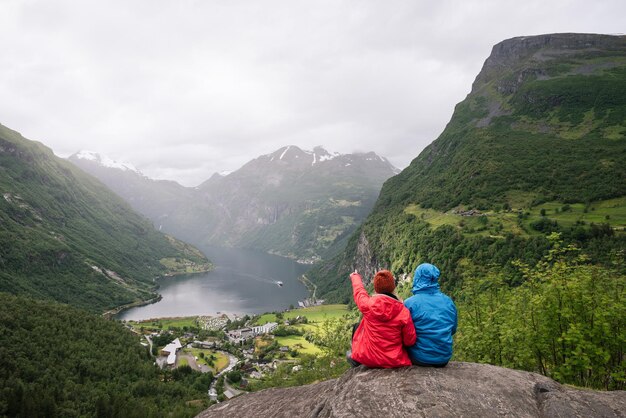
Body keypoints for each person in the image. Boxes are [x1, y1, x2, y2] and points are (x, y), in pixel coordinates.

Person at [347, 270, 416, 368]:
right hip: (394, 361)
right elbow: (410, 341)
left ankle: (356, 359)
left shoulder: (368, 305)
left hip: (369, 359)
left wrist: (355, 276)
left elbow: (359, 292)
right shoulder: (403, 311)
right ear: (393, 287)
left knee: (357, 326)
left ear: (376, 288)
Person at [404, 263, 457, 367]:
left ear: (417, 278)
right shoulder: (448, 301)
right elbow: (453, 329)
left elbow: (404, 334)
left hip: (419, 358)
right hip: (443, 358)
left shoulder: (409, 304)